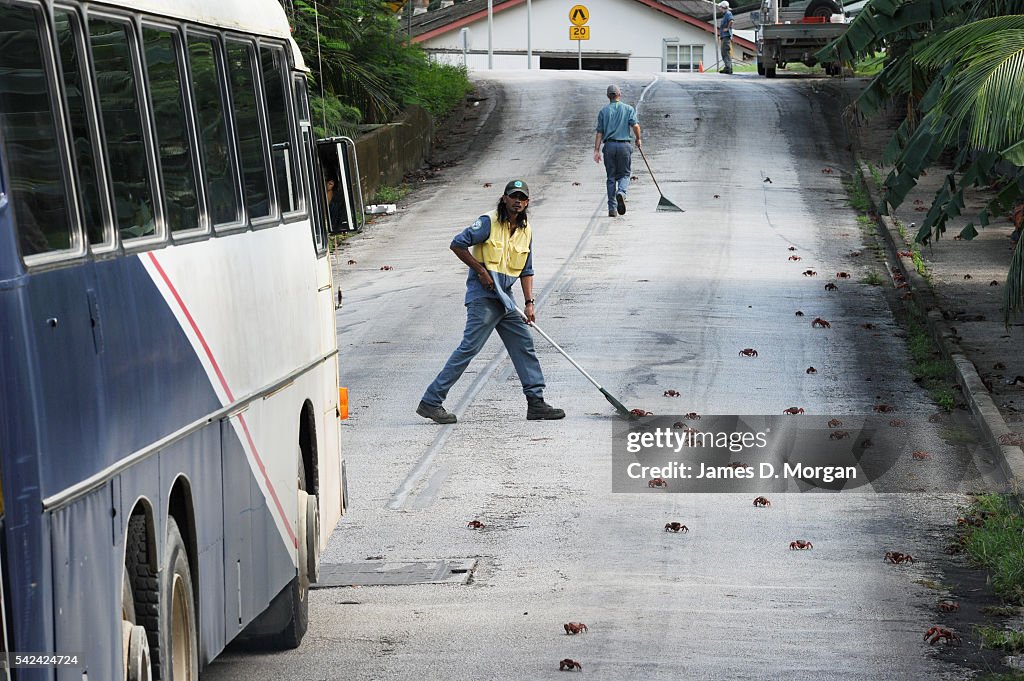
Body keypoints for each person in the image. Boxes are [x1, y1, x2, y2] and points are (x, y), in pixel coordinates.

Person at [416, 180, 565, 424]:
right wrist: (480, 271)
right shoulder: (488, 222)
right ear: (504, 198)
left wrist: (529, 303)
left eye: (522, 198)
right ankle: (431, 401)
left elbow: (527, 269)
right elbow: (457, 244)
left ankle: (536, 402)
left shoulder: (526, 230)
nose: (518, 201)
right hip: (484, 296)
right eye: (513, 196)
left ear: (527, 202)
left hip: (506, 299)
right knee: (469, 348)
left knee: (524, 344)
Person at [593, 85, 641, 218]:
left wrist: (596, 150)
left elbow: (599, 133)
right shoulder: (628, 109)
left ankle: (612, 209)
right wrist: (638, 139)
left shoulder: (603, 112)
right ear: (619, 94)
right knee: (625, 175)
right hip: (624, 146)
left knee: (611, 178)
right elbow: (635, 126)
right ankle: (621, 192)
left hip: (609, 147)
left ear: (608, 96)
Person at [718, 1, 734, 74]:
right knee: (724, 52)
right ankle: (727, 67)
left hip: (726, 36)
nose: (719, 9)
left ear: (723, 7)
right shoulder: (725, 15)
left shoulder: (728, 13)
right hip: (723, 36)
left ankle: (728, 68)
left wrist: (727, 28)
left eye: (720, 7)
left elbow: (731, 21)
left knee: (726, 52)